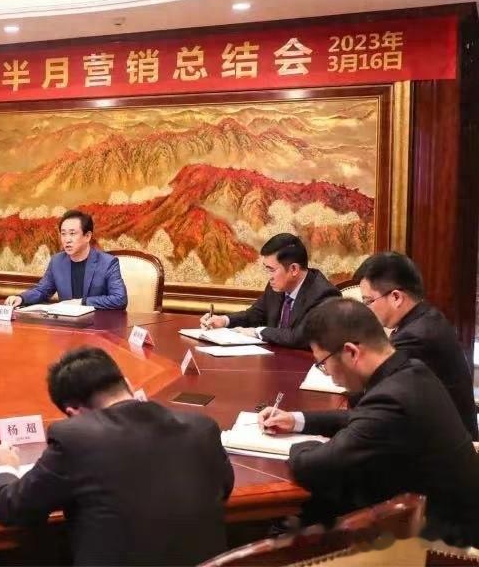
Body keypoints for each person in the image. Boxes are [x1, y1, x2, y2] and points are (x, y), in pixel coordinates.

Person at [0, 347, 233, 566]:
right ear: (128, 384)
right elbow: (224, 487)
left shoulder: (73, 439)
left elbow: (15, 507)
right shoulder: (202, 428)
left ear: (74, 413)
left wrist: (5, 469)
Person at [260, 298, 479, 546]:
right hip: (436, 514)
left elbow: (313, 466)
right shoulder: (412, 370)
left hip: (439, 546)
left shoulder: (391, 399)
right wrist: (297, 421)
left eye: (322, 363)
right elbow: (360, 418)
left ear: (351, 352)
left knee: (294, 523)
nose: (327, 372)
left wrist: (297, 446)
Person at [352, 252, 477, 439]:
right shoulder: (425, 317)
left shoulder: (416, 337)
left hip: (442, 446)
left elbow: (368, 398)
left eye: (368, 301)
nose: (366, 310)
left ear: (396, 297)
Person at [200, 233, 339, 348]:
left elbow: (299, 336)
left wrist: (257, 332)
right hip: (274, 361)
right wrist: (224, 321)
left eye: (271, 270)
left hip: (302, 367)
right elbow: (255, 314)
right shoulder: (277, 285)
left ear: (294, 269)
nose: (269, 276)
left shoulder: (324, 295)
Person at [4, 210, 127, 310]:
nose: (67, 240)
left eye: (72, 233)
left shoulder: (108, 263)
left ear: (87, 236)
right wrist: (22, 298)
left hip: (97, 326)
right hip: (67, 325)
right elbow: (42, 291)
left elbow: (120, 299)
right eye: (63, 234)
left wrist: (82, 302)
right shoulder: (57, 261)